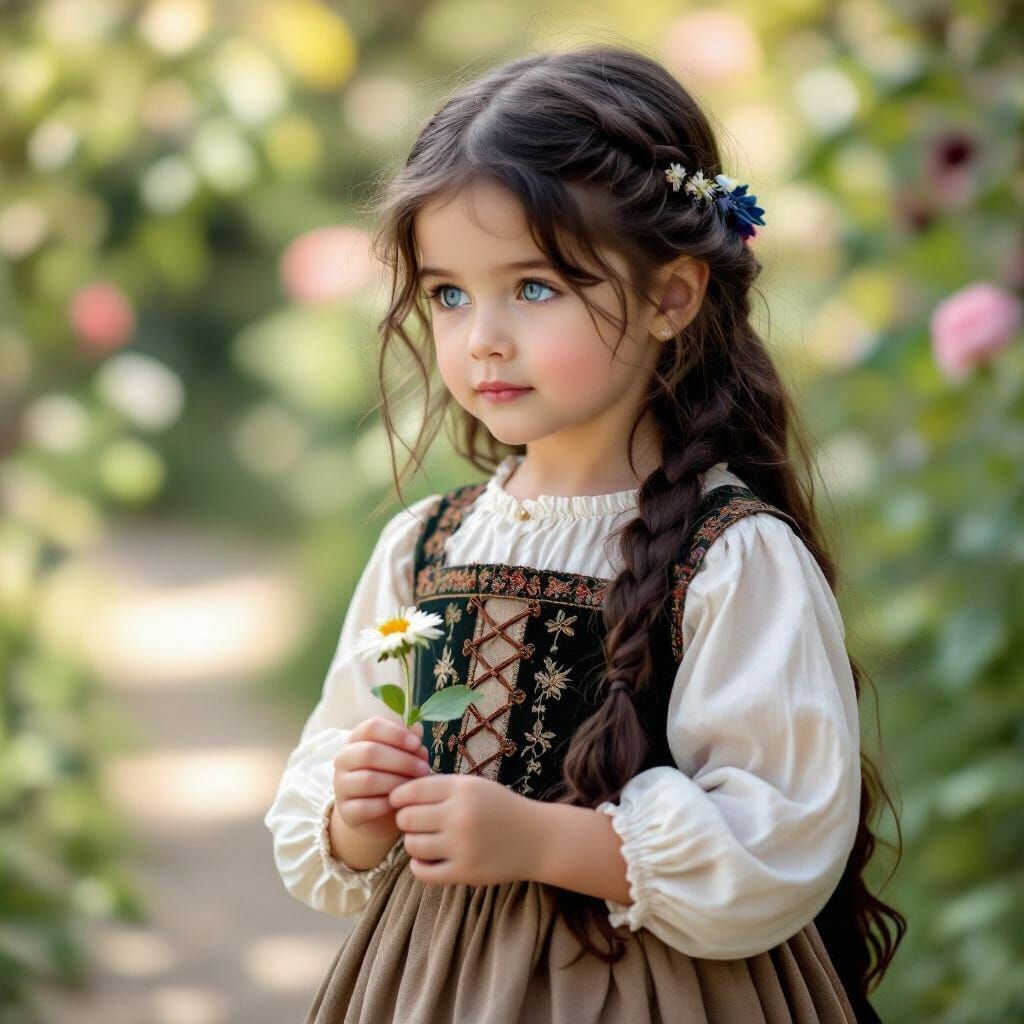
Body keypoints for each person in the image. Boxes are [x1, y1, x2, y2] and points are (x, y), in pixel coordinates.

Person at [263, 43, 906, 1023]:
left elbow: (773, 836)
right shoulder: (424, 548)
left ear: (670, 295)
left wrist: (538, 841)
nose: (481, 335)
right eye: (447, 293)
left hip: (660, 989)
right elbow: (335, 752)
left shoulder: (730, 557)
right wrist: (356, 812)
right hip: (436, 985)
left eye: (533, 287)